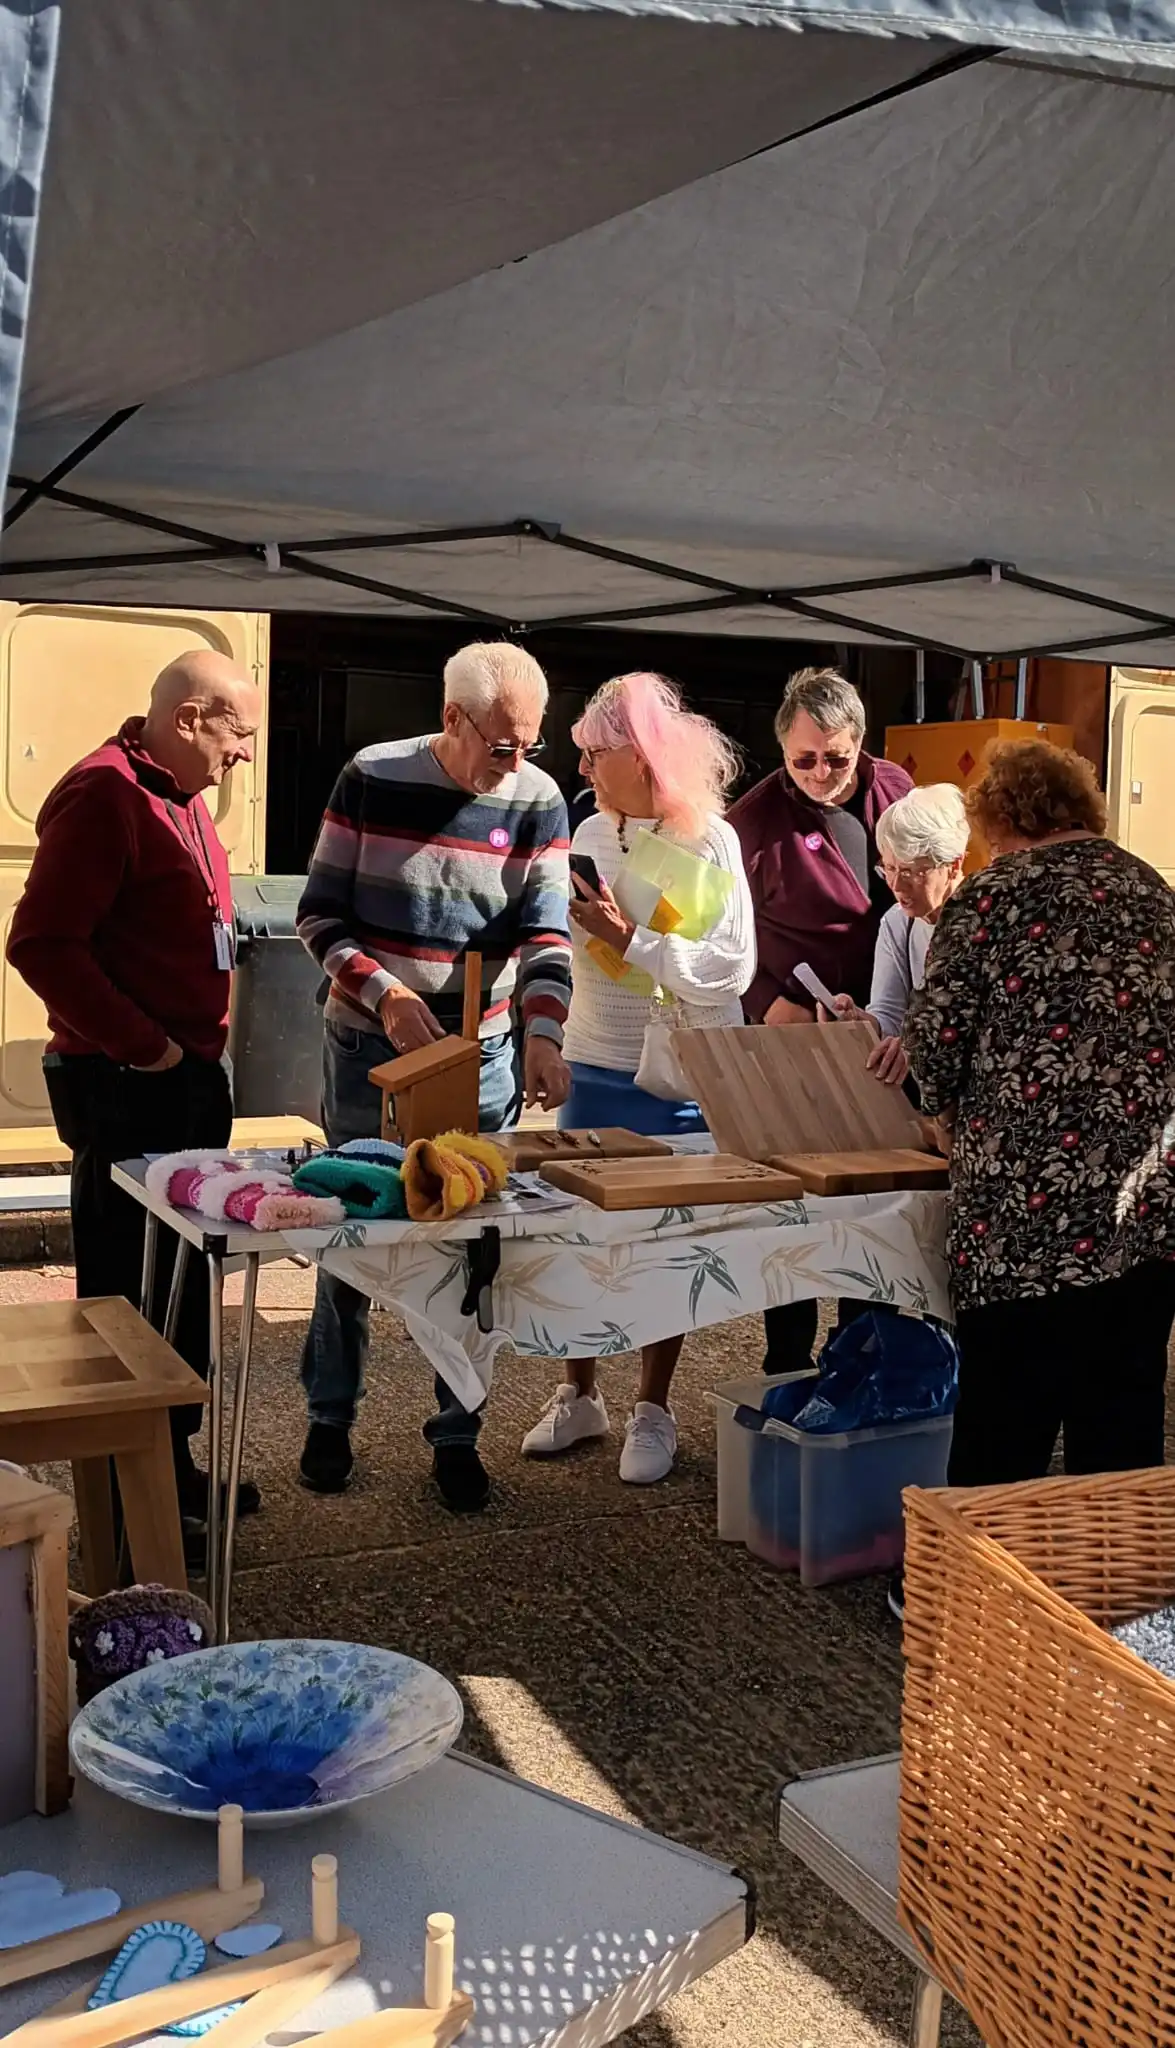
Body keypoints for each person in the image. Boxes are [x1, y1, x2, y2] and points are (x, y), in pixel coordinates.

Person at [296, 640, 572, 1511]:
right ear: (451, 718)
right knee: (350, 1233)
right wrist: (381, 996)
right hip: (367, 1049)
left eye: (531, 743)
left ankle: (457, 1434)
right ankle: (328, 1419)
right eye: (502, 744)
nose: (517, 762)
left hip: (480, 1052)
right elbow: (318, 915)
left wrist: (542, 1033)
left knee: (469, 1243)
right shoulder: (372, 776)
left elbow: (546, 934)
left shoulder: (538, 799)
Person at [5, 650, 263, 1549]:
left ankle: (172, 1466)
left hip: (183, 1078)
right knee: (127, 1290)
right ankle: (124, 1492)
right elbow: (40, 942)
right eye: (238, 734)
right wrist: (143, 1045)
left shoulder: (180, 794)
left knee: (183, 1282)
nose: (245, 756)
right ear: (189, 717)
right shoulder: (104, 794)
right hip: (127, 1084)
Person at [904, 738, 1175, 1494]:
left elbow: (934, 1044)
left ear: (1002, 819)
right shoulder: (1154, 893)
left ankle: (982, 1595)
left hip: (1021, 1221)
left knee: (1002, 1433)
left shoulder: (991, 896)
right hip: (1143, 1222)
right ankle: (1112, 1598)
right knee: (1120, 1430)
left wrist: (941, 1112)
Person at [520, 671, 754, 1483]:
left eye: (591, 752)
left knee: (669, 1247)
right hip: (594, 1060)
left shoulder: (709, 839)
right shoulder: (588, 834)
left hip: (676, 1077)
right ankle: (579, 1394)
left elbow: (729, 970)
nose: (581, 769)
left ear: (640, 753)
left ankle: (652, 1408)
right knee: (582, 1239)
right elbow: (558, 939)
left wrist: (632, 941)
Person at [729, 666, 912, 1371]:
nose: (818, 773)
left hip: (880, 1031)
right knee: (799, 1206)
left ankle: (868, 1348)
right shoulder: (752, 820)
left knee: (877, 1205)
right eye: (801, 759)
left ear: (860, 744)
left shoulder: (895, 789)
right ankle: (789, 1362)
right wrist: (766, 1003)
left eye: (835, 758)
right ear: (780, 753)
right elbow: (721, 936)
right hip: (792, 1034)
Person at [823, 782, 969, 1089]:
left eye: (913, 872)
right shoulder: (898, 922)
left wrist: (916, 1046)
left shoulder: (984, 920)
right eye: (889, 869)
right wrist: (857, 1021)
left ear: (954, 865)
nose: (898, 887)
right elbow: (889, 1015)